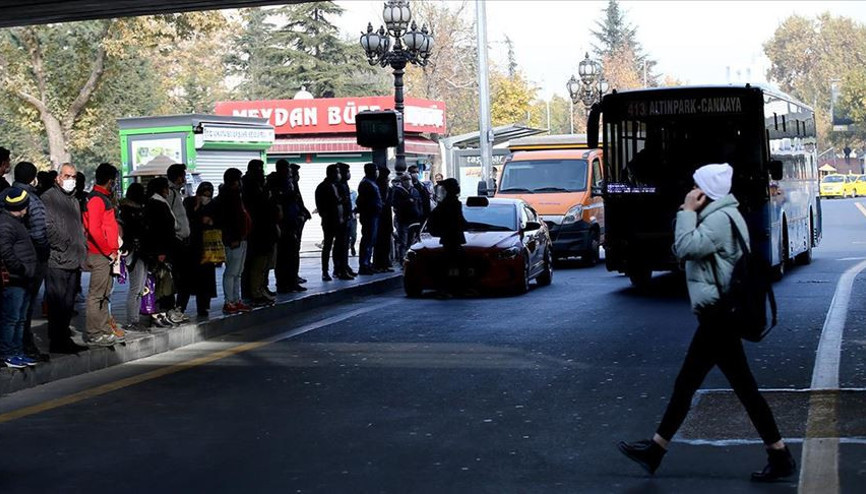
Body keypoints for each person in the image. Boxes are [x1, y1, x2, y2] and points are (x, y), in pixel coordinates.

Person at [617, 163, 795, 482]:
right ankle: (657, 450)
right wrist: (688, 217)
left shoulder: (718, 220)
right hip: (718, 314)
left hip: (718, 316)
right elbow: (687, 250)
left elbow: (686, 246)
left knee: (713, 386)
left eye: (696, 185)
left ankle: (779, 454)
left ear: (706, 191)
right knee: (713, 386)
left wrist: (686, 211)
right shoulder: (723, 216)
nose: (691, 190)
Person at [42, 163, 88, 353]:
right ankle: (57, 341)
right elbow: (48, 227)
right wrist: (64, 244)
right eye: (67, 176)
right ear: (58, 177)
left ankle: (64, 338)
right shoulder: (49, 198)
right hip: (58, 261)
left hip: (73, 260)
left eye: (73, 177)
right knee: (58, 304)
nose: (71, 180)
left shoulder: (74, 200)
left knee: (68, 304)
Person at [13, 162, 50, 359]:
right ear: (33, 178)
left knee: (13, 306)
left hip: (9, 258)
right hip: (31, 258)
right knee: (25, 306)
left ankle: (14, 347)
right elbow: (39, 233)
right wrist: (43, 254)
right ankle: (24, 346)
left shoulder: (4, 195)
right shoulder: (33, 201)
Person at [82, 163, 120, 347]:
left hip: (107, 254)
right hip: (100, 255)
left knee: (105, 294)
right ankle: (93, 333)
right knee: (96, 295)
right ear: (110, 180)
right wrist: (107, 251)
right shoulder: (97, 199)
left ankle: (104, 329)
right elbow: (95, 229)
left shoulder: (102, 197)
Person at [0, 187, 39, 368]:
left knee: (20, 318)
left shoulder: (16, 222)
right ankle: (8, 353)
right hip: (16, 280)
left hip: (25, 279)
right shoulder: (6, 224)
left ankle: (17, 351)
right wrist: (20, 269)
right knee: (12, 318)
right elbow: (6, 252)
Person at [143, 177, 180, 328]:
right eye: (165, 188)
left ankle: (163, 312)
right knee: (161, 283)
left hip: (164, 249)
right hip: (161, 250)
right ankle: (158, 313)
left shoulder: (157, 202)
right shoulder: (156, 204)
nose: (168, 191)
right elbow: (159, 230)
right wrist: (161, 251)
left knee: (164, 283)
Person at [214, 168, 252, 315]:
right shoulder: (228, 197)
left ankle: (236, 300)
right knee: (232, 272)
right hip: (234, 240)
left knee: (237, 272)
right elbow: (229, 220)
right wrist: (233, 238)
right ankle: (230, 301)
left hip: (241, 238)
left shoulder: (234, 195)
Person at [242, 160, 277, 305]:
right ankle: (254, 291)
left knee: (262, 262)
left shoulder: (257, 185)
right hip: (256, 230)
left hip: (263, 228)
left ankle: (259, 289)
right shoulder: (250, 186)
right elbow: (260, 205)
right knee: (256, 263)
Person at [426, 178, 467, 295]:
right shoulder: (453, 204)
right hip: (453, 237)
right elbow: (459, 221)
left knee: (450, 263)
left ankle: (448, 287)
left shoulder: (444, 204)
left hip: (448, 237)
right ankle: (453, 287)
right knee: (455, 264)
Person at [183, 182, 218, 317]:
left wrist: (211, 222)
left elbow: (218, 219)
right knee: (191, 278)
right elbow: (188, 219)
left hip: (208, 246)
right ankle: (182, 307)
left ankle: (204, 306)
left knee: (207, 278)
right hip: (193, 246)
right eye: (204, 194)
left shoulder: (213, 205)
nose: (206, 197)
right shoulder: (189, 202)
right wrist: (197, 207)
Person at [119, 182, 148, 332]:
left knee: (139, 287)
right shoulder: (129, 211)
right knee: (136, 287)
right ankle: (132, 320)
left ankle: (134, 319)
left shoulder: (129, 209)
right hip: (134, 252)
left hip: (139, 252)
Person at [274, 160, 306, 293]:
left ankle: (292, 281)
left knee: (292, 254)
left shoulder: (290, 183)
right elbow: (280, 201)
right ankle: (283, 283)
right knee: (284, 256)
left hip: (293, 222)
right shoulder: (277, 182)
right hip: (285, 224)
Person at [166, 164, 192, 324]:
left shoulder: (177, 193)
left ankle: (179, 309)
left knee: (183, 278)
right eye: (182, 175)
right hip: (176, 242)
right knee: (181, 279)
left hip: (182, 240)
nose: (184, 178)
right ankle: (176, 309)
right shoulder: (170, 193)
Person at [314, 164, 344, 281]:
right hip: (330, 221)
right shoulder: (323, 187)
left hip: (338, 220)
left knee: (338, 245)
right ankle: (325, 271)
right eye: (337, 172)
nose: (338, 175)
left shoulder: (335, 186)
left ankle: (337, 269)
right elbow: (323, 205)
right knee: (327, 245)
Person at [356, 163, 383, 275]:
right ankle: (364, 264)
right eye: (376, 170)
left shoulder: (371, 183)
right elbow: (362, 201)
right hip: (369, 215)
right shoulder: (366, 183)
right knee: (367, 239)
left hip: (374, 215)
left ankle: (367, 263)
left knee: (371, 240)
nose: (377, 172)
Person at [392, 173, 421, 264]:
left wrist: (420, 214)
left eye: (409, 180)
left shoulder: (414, 190)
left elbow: (419, 203)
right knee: (403, 242)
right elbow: (395, 204)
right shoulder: (397, 191)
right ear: (402, 181)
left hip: (414, 220)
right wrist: (407, 201)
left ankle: (409, 259)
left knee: (411, 241)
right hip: (403, 219)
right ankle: (402, 260)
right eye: (406, 180)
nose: (408, 182)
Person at [333, 162, 355, 280]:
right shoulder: (339, 185)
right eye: (347, 171)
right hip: (342, 218)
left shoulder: (344, 184)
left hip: (347, 217)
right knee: (341, 244)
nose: (348, 174)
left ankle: (344, 267)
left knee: (345, 244)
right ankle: (340, 269)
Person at [290, 163, 311, 285]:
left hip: (298, 220)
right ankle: (292, 277)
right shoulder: (289, 186)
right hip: (294, 222)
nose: (298, 176)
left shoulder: (294, 185)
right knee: (292, 251)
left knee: (295, 250)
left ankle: (294, 275)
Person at [373, 164, 394, 273]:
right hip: (380, 219)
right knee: (379, 243)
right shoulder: (377, 187)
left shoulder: (388, 189)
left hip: (387, 218)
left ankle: (385, 263)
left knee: (386, 243)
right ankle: (379, 264)